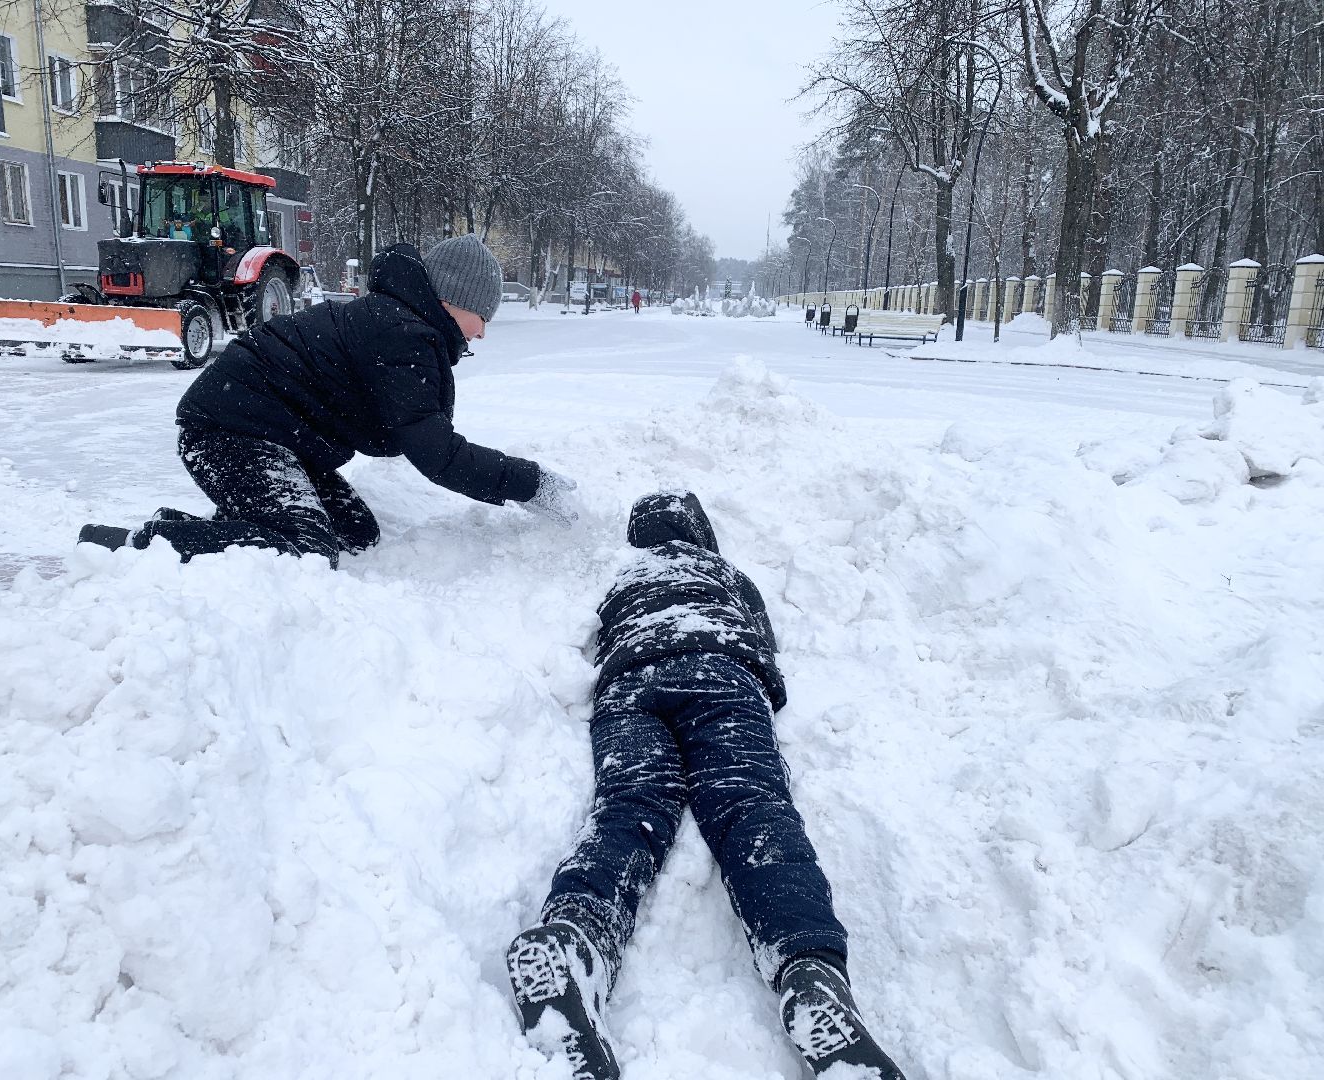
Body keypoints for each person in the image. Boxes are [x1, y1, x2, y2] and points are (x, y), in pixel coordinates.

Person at [505, 491, 907, 1080]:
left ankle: (575, 936)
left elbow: (588, 634)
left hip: (629, 687)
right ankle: (808, 970)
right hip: (720, 672)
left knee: (628, 807)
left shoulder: (622, 575)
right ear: (701, 533)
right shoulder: (725, 573)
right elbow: (762, 638)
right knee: (751, 806)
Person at [77, 235, 580, 567]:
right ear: (453, 301)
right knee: (306, 547)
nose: (484, 333)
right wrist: (530, 484)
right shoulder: (404, 333)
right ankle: (138, 549)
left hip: (273, 437)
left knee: (357, 535)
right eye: (481, 317)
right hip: (230, 433)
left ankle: (201, 535)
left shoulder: (403, 323)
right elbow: (436, 452)